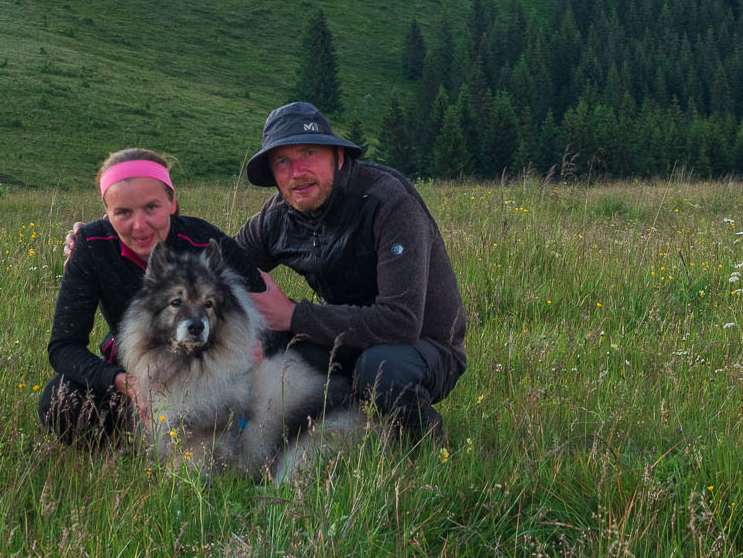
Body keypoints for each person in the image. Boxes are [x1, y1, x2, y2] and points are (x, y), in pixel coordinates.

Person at [236, 102, 466, 442]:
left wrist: (294, 316)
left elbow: (401, 322)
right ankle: (331, 436)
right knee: (274, 348)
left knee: (380, 369)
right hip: (344, 339)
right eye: (282, 161)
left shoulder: (388, 203)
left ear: (338, 157)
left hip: (423, 345)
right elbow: (225, 267)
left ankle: (424, 448)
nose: (296, 171)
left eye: (309, 153)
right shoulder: (277, 218)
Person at [41, 148, 268, 446]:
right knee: (60, 401)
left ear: (172, 202)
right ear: (106, 210)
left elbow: (263, 305)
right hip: (133, 378)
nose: (140, 225)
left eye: (152, 207)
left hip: (215, 379)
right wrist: (124, 383)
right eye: (123, 212)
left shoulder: (203, 240)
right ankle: (138, 444)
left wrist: (257, 345)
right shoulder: (92, 246)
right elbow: (63, 347)